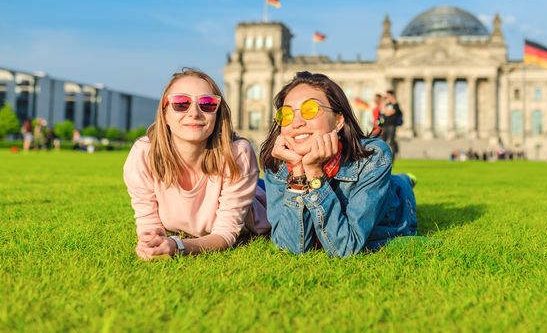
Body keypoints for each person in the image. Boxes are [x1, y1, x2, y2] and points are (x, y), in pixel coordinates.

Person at [260, 71, 417, 257]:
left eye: (310, 110)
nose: (296, 122)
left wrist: (314, 172)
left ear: (338, 121)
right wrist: (298, 174)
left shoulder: (373, 156)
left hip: (396, 204)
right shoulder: (278, 164)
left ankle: (405, 180)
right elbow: (291, 248)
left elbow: (344, 248)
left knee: (399, 184)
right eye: (286, 114)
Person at [123, 69, 269, 260]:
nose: (194, 113)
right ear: (165, 113)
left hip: (253, 195)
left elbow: (225, 234)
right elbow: (148, 225)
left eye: (207, 104)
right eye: (181, 103)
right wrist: (152, 243)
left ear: (217, 114)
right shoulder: (143, 154)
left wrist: (178, 246)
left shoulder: (237, 154)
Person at [380, 90, 402, 160]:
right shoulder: (387, 104)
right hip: (385, 125)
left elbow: (389, 113)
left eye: (388, 96)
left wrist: (386, 111)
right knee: (382, 141)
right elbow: (382, 111)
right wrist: (384, 103)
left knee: (391, 141)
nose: (387, 97)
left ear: (392, 95)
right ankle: (383, 157)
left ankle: (392, 157)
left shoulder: (395, 104)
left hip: (392, 125)